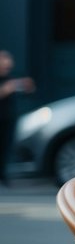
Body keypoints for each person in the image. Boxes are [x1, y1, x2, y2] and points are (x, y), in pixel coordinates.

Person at [0, 50, 36, 186]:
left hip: (8, 117)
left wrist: (27, 87)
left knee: (6, 146)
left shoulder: (12, 78)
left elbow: (28, 91)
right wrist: (6, 89)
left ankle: (3, 175)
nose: (6, 65)